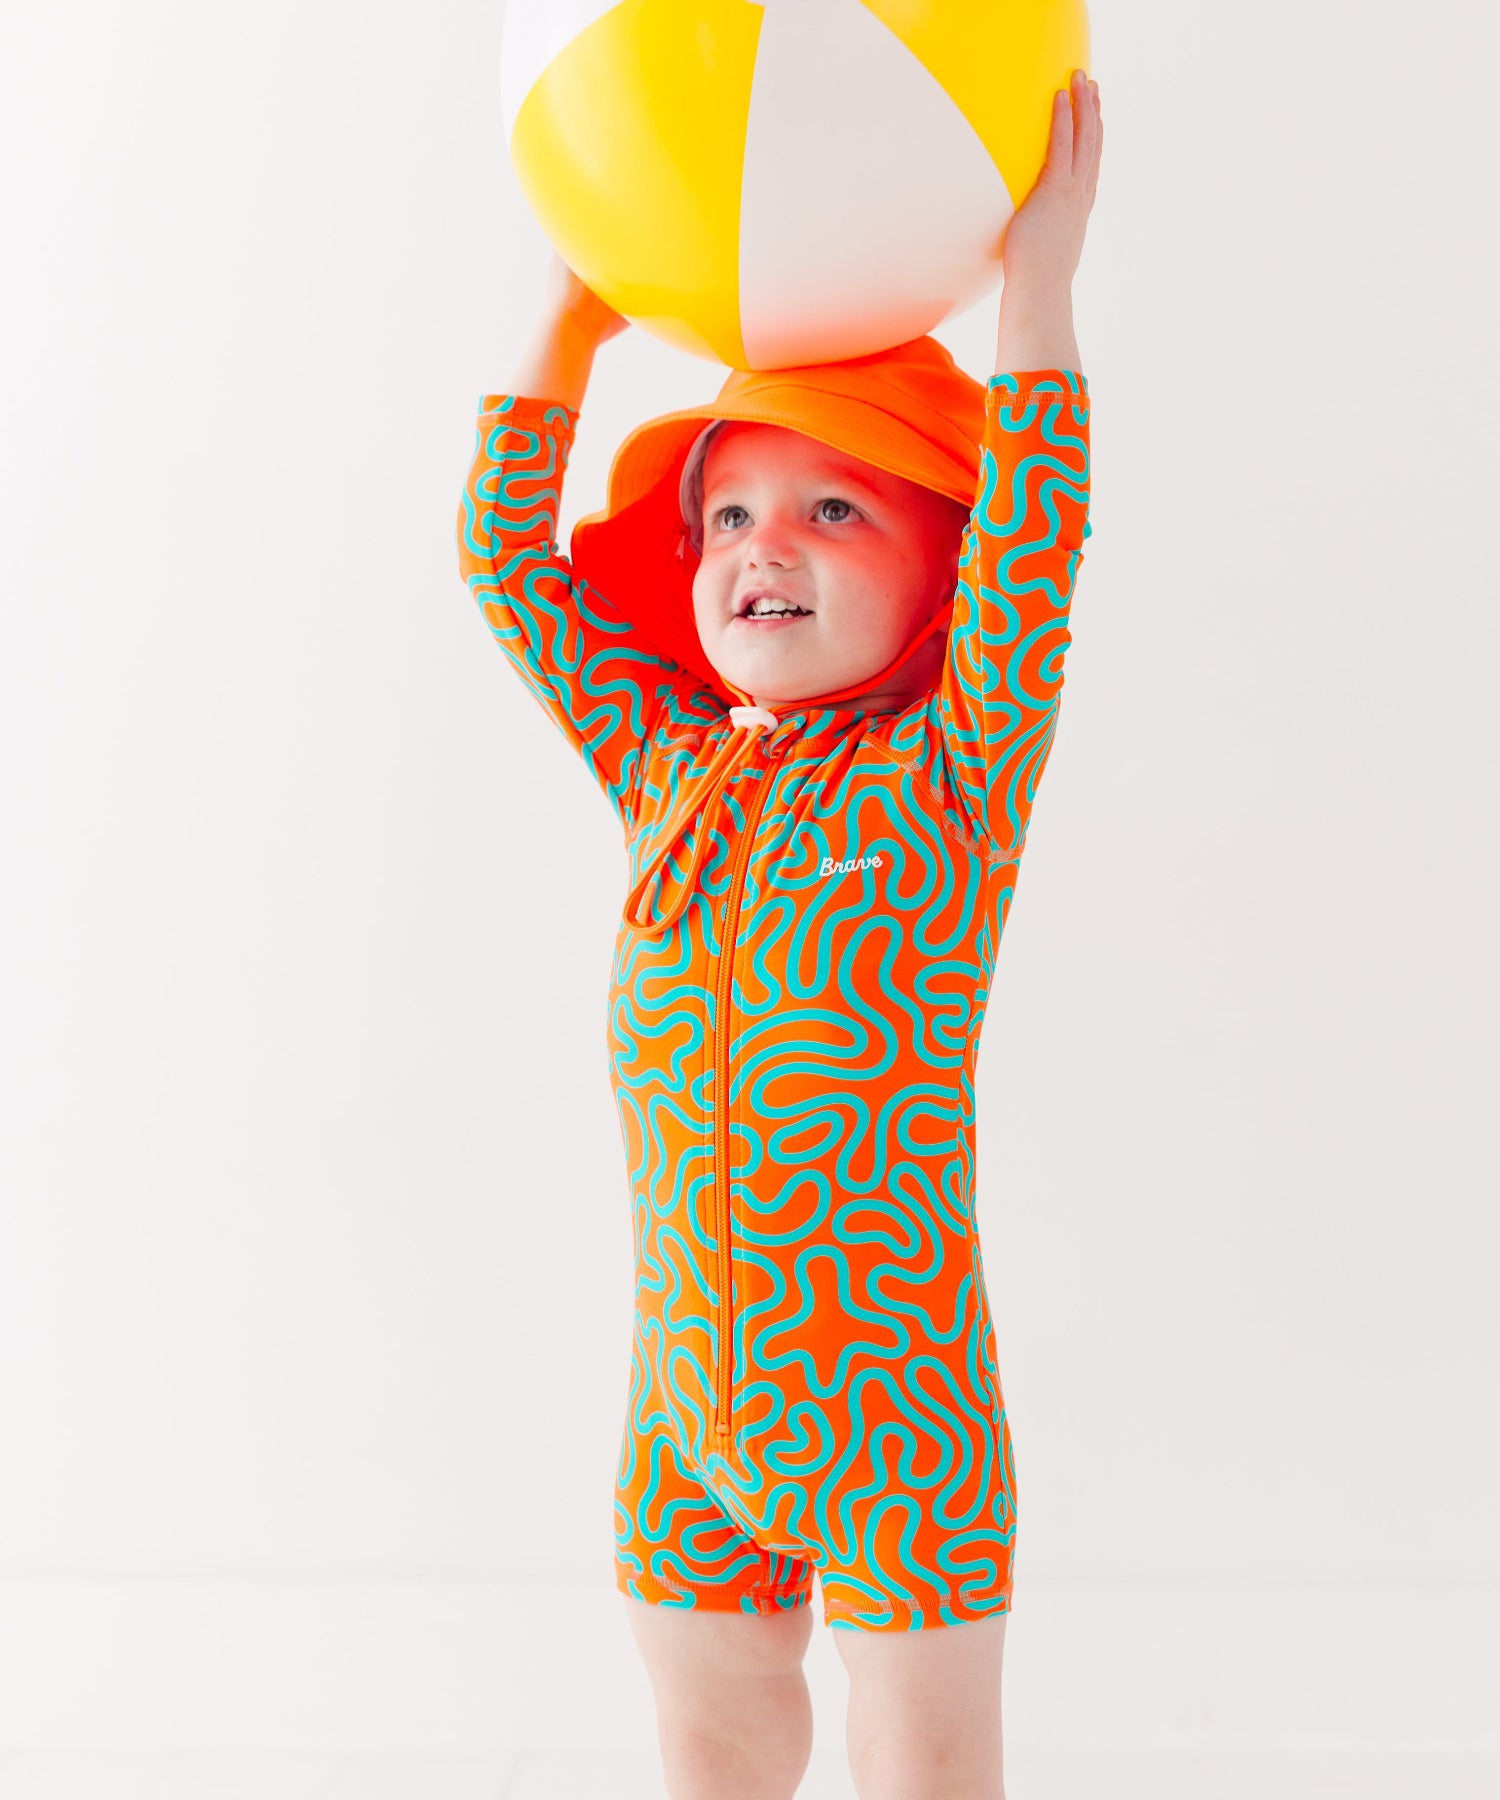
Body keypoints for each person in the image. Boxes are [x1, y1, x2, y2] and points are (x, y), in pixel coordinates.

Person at [457, 68, 1101, 1800]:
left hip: (899, 1418)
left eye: (836, 510)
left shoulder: (948, 771)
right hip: (691, 1411)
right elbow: (505, 562)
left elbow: (1039, 547)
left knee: (919, 1765)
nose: (764, 549)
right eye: (728, 515)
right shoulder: (664, 770)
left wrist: (1037, 298)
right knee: (712, 1736)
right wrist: (570, 316)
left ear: (943, 575)